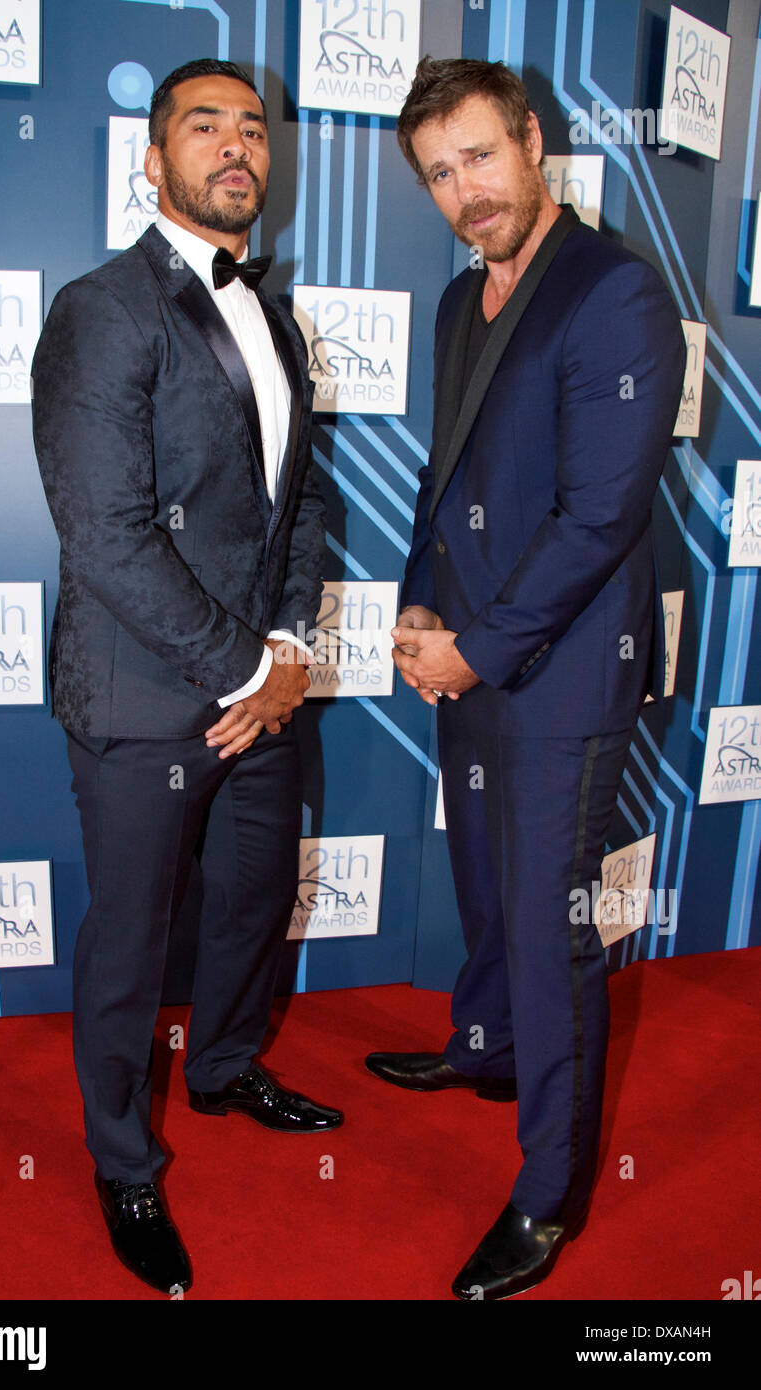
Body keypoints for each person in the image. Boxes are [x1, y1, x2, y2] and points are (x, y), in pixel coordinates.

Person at [365, 57, 686, 1300]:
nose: (464, 191)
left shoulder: (612, 293)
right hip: (471, 645)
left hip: (559, 668)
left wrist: (480, 646)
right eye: (439, 174)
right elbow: (445, 473)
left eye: (479, 158)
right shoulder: (459, 301)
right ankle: (486, 1046)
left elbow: (601, 513)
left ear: (532, 143)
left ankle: (546, 1193)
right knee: (485, 879)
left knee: (551, 927)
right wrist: (413, 598)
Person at [32, 58, 342, 1296]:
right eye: (202, 126)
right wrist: (241, 671)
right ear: (150, 161)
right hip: (149, 693)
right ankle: (122, 1159)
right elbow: (103, 533)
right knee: (129, 941)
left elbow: (298, 504)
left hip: (260, 684)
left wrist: (295, 650)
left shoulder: (271, 314)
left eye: (252, 130)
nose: (234, 148)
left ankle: (220, 1067)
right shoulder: (103, 309)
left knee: (249, 903)